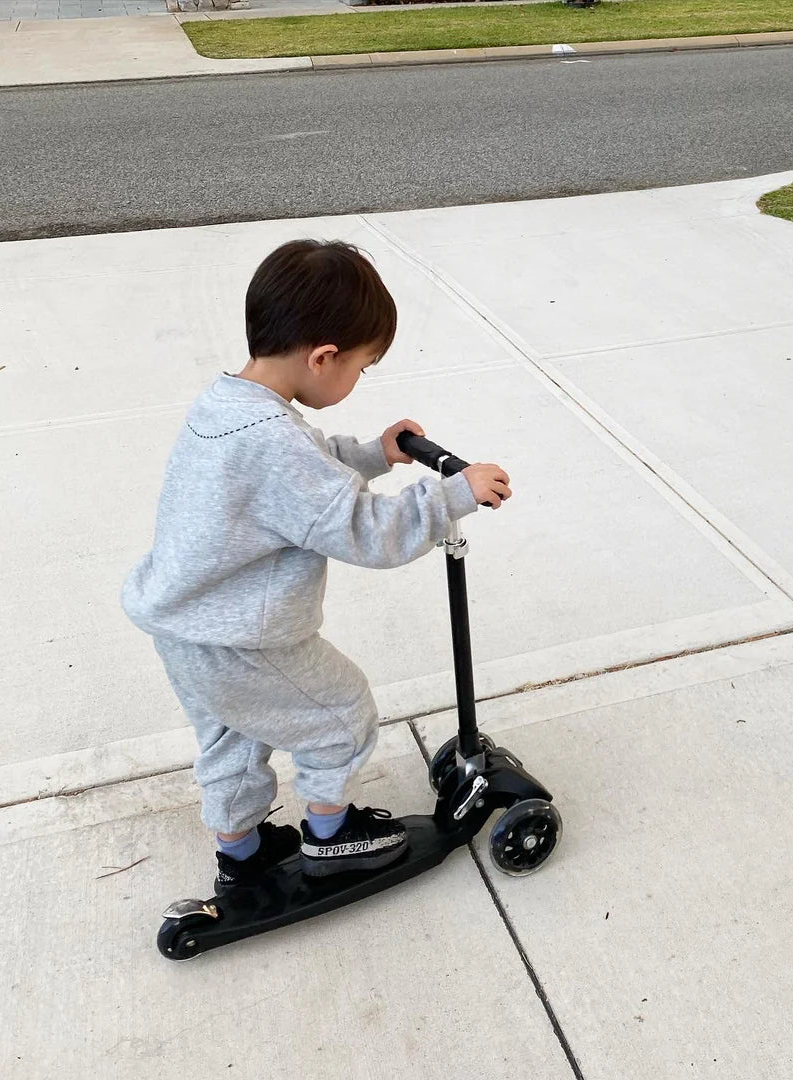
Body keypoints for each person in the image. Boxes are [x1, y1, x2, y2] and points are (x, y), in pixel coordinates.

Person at [122, 239, 511, 893]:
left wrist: (375, 454)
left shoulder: (229, 405)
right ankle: (334, 839)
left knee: (233, 740)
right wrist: (453, 495)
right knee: (341, 714)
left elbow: (303, 472)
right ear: (323, 357)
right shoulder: (275, 444)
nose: (358, 379)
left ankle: (240, 848)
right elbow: (364, 531)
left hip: (183, 629)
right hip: (243, 637)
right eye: (362, 367)